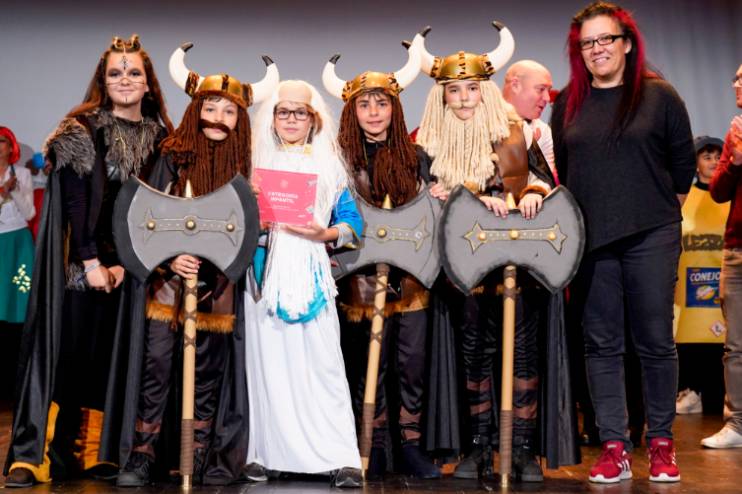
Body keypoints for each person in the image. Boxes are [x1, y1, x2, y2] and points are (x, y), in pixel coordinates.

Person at [4, 35, 172, 488]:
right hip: (81, 267)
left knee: (113, 362)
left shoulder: (163, 140)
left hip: (133, 270)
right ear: (103, 80)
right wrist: (93, 262)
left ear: (148, 84)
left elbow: (157, 211)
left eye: (134, 72)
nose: (124, 79)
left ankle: (101, 452)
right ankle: (39, 455)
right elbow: (77, 205)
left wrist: (125, 265)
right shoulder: (81, 130)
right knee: (65, 357)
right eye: (115, 73)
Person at [414, 22, 578, 481]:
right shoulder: (428, 141)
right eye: (454, 90)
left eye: (471, 88)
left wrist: (534, 192)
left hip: (516, 268)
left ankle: (520, 448)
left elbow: (538, 180)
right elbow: (424, 197)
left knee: (522, 353)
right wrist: (462, 196)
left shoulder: (511, 132)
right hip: (462, 271)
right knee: (473, 354)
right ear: (442, 96)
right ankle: (479, 446)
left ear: (485, 90)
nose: (464, 98)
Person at [109, 43, 278, 486]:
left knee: (207, 371)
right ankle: (143, 455)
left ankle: (197, 455)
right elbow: (145, 216)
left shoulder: (246, 169)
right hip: (169, 282)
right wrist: (171, 259)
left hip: (219, 283)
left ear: (240, 120)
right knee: (157, 366)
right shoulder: (172, 156)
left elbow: (247, 230)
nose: (219, 118)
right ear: (196, 110)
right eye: (211, 108)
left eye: (230, 111)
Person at [551, 1, 696, 483]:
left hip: (652, 235)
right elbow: (566, 172)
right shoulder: (567, 103)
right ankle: (614, 445)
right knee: (601, 344)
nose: (597, 49)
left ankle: (661, 443)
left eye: (605, 39)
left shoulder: (660, 96)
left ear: (627, 43)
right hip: (592, 242)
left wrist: (646, 212)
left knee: (655, 341)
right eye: (587, 43)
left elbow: (682, 171)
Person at [325, 45, 440, 479]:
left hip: (410, 280)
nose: (374, 113)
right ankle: (369, 447)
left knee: (411, 365)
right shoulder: (338, 161)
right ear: (352, 111)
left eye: (382, 104)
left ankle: (410, 446)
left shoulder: (417, 157)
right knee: (364, 366)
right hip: (357, 279)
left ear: (395, 109)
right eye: (364, 104)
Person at [244, 80, 364, 488]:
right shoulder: (254, 165)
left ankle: (339, 457)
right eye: (284, 111)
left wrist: (323, 234)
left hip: (312, 278)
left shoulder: (330, 166)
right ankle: (265, 456)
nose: (291, 119)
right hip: (264, 277)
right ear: (272, 117)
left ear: (313, 119)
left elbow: (352, 225)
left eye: (300, 112)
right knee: (268, 368)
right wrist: (255, 220)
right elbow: (236, 224)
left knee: (323, 366)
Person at [674, 136, 728, 416]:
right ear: (695, 163)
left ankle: (724, 397)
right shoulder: (683, 198)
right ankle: (690, 390)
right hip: (687, 286)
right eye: (707, 157)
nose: (714, 162)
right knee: (689, 337)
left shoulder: (732, 196)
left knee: (726, 343)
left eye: (718, 157)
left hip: (724, 285)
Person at [704, 62, 742, 449]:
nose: (736, 84)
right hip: (736, 249)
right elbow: (717, 191)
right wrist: (735, 162)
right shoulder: (735, 133)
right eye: (736, 78)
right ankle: (738, 425)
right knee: (736, 345)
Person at [0, 127, 35, 325]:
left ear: (11, 146)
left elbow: (29, 213)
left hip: (19, 239)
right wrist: (3, 192)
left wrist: (14, 191)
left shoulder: (22, 174)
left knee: (22, 289)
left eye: (2, 141)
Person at [502, 59, 556, 176]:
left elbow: (545, 178)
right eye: (541, 89)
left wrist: (532, 152)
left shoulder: (543, 131)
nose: (547, 98)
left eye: (548, 90)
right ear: (515, 85)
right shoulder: (480, 123)